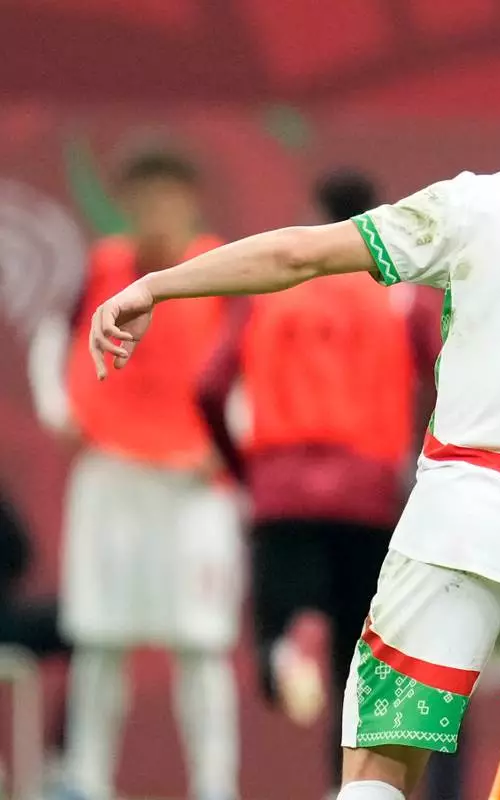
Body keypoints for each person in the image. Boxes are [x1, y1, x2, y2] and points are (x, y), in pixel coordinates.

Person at [85, 48, 500, 800]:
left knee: (377, 777)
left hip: (453, 532)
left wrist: (159, 286)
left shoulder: (481, 205)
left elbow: (299, 253)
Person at [195, 169, 443, 795]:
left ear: (311, 213)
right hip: (369, 495)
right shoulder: (401, 294)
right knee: (359, 663)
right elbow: (448, 374)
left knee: (279, 622)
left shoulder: (267, 289)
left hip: (280, 490)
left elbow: (208, 385)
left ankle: (289, 640)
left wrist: (242, 467)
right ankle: (348, 788)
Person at [28, 148, 242, 800]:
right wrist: (57, 407)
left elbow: (254, 354)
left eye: (168, 197)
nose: (155, 212)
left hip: (192, 487)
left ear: (192, 199)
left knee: (201, 645)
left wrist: (234, 442)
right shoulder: (103, 268)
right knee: (99, 641)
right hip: (112, 476)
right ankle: (88, 783)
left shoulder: (221, 269)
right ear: (125, 204)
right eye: (142, 199)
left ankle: (214, 787)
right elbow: (51, 339)